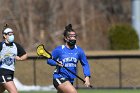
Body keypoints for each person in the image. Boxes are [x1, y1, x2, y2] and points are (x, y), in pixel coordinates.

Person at [47, 24, 91, 93]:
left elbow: (85, 64)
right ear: (66, 38)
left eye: (74, 36)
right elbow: (49, 60)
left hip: (70, 80)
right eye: (71, 36)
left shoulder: (79, 51)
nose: (73, 38)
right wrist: (56, 63)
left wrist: (87, 76)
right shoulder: (59, 49)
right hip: (59, 77)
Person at [0, 24, 28, 93]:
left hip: (11, 72)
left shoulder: (16, 45)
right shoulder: (1, 45)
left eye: (12, 34)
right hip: (3, 72)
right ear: (5, 36)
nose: (12, 36)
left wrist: (20, 58)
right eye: (9, 34)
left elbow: (25, 55)